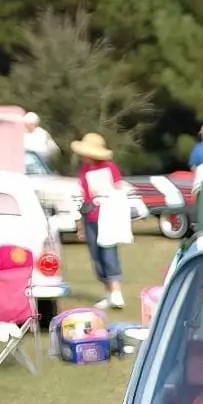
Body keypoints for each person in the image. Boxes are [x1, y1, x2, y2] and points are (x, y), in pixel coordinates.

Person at [70, 132, 130, 310]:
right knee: (96, 255)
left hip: (107, 215)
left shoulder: (109, 167)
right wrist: (80, 221)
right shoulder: (84, 170)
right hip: (90, 216)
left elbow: (118, 189)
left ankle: (116, 291)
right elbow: (83, 194)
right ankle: (108, 292)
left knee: (108, 252)